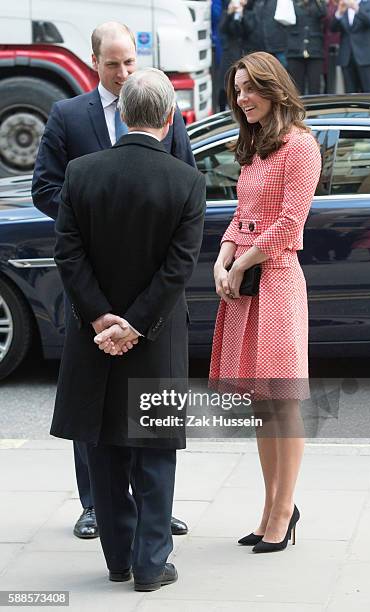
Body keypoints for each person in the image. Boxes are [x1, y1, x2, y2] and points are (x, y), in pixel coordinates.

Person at [32, 21, 192, 540]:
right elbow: (46, 188)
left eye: (130, 63)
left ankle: (152, 511)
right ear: (93, 61)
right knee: (93, 404)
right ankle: (96, 506)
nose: (124, 73)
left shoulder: (163, 109)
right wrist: (91, 220)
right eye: (113, 64)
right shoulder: (67, 115)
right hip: (93, 287)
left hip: (153, 292)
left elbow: (184, 187)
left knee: (151, 406)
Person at [50, 67, 206, 590]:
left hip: (92, 337)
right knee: (154, 453)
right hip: (155, 337)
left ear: (120, 113)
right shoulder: (186, 180)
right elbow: (177, 268)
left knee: (104, 448)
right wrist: (135, 325)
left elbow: (68, 256)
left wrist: (100, 318)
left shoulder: (80, 173)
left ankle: (118, 561)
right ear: (169, 117)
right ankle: (150, 564)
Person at [209, 52, 321, 553]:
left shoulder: (301, 145)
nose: (241, 99)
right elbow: (243, 212)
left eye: (249, 89)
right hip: (246, 284)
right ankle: (270, 507)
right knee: (260, 404)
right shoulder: (255, 146)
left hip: (275, 283)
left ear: (273, 88)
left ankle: (283, 511)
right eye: (236, 91)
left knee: (282, 403)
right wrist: (223, 255)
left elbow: (289, 223)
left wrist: (242, 262)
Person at [330, 0, 370, 92]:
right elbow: (332, 28)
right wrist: (339, 13)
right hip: (347, 57)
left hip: (367, 57)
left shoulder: (369, 3)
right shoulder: (343, 6)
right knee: (350, 93)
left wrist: (356, 8)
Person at [218, 0, 255, 110]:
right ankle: (222, 109)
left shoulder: (250, 14)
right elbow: (222, 28)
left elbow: (249, 29)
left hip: (243, 54)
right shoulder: (227, 13)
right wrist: (229, 13)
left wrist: (241, 14)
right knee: (224, 84)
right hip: (229, 54)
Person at [287, 0, 327, 95]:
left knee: (315, 87)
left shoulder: (317, 3)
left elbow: (323, 12)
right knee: (296, 89)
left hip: (315, 50)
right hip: (295, 50)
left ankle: (315, 109)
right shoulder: (290, 2)